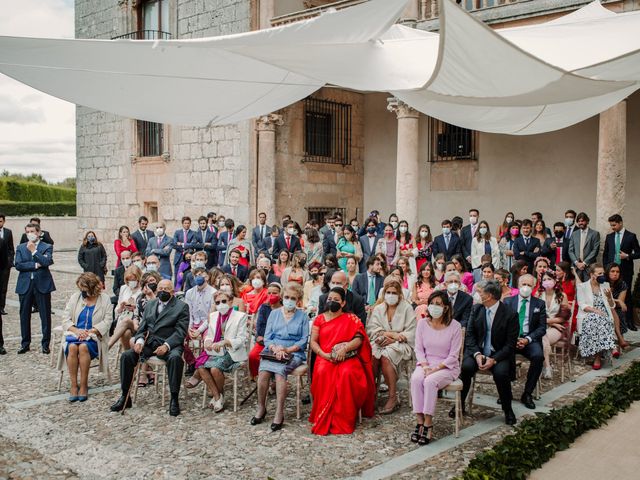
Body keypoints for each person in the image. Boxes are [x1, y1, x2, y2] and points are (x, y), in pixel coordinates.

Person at [110, 279, 189, 416]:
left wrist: (167, 345)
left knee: (176, 358)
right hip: (150, 342)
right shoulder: (151, 304)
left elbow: (180, 332)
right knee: (127, 356)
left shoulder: (181, 306)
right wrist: (139, 341)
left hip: (170, 343)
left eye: (166, 289)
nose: (163, 291)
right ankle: (125, 396)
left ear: (172, 291)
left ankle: (174, 398)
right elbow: (142, 327)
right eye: (160, 288)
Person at [308, 286, 375, 435]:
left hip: (347, 357)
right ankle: (324, 414)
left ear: (343, 303)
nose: (332, 302)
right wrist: (323, 354)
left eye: (336, 300)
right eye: (330, 299)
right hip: (324, 357)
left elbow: (359, 339)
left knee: (347, 373)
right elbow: (313, 341)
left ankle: (344, 418)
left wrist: (345, 349)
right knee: (322, 371)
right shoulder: (319, 319)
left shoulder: (351, 318)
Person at [457, 280, 519, 425]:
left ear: (489, 296)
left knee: (501, 374)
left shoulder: (510, 314)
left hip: (499, 353)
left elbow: (510, 345)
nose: (477, 295)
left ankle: (507, 408)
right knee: (466, 368)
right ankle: (460, 404)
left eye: (480, 292)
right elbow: (470, 336)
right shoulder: (477, 309)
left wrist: (494, 359)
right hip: (478, 351)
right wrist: (477, 355)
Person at [251, 283, 309, 431]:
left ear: (298, 300)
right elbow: (268, 337)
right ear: (283, 297)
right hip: (273, 350)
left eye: (293, 298)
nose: (289, 300)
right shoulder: (274, 313)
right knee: (263, 373)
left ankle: (279, 412)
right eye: (287, 297)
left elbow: (303, 340)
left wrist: (287, 349)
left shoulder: (302, 316)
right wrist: (275, 348)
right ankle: (261, 407)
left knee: (279, 373)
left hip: (293, 352)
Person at [410, 291, 462, 445]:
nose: (434, 307)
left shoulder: (455, 326)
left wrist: (436, 368)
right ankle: (419, 421)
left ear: (446, 307)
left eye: (438, 304)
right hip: (426, 363)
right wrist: (425, 366)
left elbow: (454, 355)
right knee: (416, 378)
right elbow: (418, 349)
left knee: (430, 382)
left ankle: (428, 422)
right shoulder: (422, 324)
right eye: (432, 303)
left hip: (446, 366)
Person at [58, 273, 111, 402]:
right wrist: (76, 330)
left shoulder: (104, 299)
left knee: (82, 347)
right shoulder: (75, 298)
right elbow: (65, 318)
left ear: (92, 288)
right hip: (75, 335)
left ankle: (83, 385)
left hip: (93, 338)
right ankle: (73, 385)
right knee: (72, 347)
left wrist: (91, 331)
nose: (82, 291)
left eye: (85, 289)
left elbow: (108, 320)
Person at [367, 279, 416, 414]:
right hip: (381, 341)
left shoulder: (406, 308)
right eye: (388, 292)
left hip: (401, 344)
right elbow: (371, 329)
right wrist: (386, 335)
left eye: (394, 292)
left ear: (400, 294)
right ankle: (370, 394)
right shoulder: (379, 308)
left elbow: (412, 331)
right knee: (371, 356)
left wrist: (394, 338)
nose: (390, 295)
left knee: (385, 357)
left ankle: (393, 397)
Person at [195, 290, 248, 412]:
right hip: (216, 349)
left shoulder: (240, 316)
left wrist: (225, 342)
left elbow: (241, 339)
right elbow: (210, 335)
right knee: (201, 366)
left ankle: (217, 397)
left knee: (214, 368)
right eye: (218, 302)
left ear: (230, 301)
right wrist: (208, 341)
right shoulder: (213, 316)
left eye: (224, 301)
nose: (221, 304)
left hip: (232, 350)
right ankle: (218, 396)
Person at [503, 274, 546, 409]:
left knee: (538, 357)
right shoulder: (508, 301)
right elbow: (502, 323)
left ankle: (527, 393)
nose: (526, 288)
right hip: (511, 338)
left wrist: (527, 339)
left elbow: (542, 328)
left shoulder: (540, 304)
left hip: (529, 339)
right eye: (523, 285)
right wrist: (513, 338)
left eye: (529, 285)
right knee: (504, 354)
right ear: (518, 285)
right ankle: (505, 392)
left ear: (533, 287)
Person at [15, 222, 55, 354]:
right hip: (25, 284)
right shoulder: (20, 247)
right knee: (24, 315)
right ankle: (25, 343)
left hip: (42, 284)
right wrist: (36, 265)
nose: (30, 234)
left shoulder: (46, 246)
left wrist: (34, 251)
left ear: (38, 232)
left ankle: (45, 344)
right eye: (27, 232)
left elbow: (47, 262)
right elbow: (19, 265)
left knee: (45, 315)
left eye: (32, 231)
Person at [576, 264, 617, 370]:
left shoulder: (605, 285)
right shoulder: (582, 286)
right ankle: (612, 346)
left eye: (603, 273)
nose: (602, 275)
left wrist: (609, 297)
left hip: (604, 314)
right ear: (592, 275)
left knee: (601, 320)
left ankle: (597, 358)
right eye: (599, 273)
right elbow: (582, 304)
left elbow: (612, 306)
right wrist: (595, 310)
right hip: (588, 314)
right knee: (597, 319)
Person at [603, 214, 640, 330]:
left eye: (614, 225)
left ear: (620, 223)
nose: (612, 227)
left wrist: (628, 256)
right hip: (611, 271)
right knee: (609, 294)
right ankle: (610, 320)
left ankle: (629, 322)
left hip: (625, 271)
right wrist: (606, 269)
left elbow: (639, 253)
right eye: (611, 225)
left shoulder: (631, 236)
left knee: (627, 296)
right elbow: (605, 254)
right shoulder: (609, 237)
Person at [183, 267, 215, 385]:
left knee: (208, 341)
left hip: (207, 323)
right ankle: (192, 362)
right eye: (196, 275)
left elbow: (211, 316)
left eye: (202, 274)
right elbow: (188, 312)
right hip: (193, 322)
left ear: (207, 277)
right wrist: (189, 328)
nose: (199, 277)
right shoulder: (190, 293)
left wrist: (200, 330)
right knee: (179, 337)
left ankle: (200, 367)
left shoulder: (213, 292)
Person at [536, 269, 569, 379]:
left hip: (558, 327)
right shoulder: (538, 294)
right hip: (541, 326)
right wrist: (550, 322)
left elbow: (563, 317)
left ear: (555, 280)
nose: (546, 281)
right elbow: (534, 315)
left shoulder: (562, 296)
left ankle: (545, 366)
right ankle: (547, 366)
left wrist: (551, 323)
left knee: (542, 336)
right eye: (544, 279)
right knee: (541, 335)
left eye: (549, 279)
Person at [248, 282, 282, 378]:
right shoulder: (264, 307)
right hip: (264, 340)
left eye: (275, 293)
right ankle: (258, 376)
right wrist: (264, 337)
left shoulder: (284, 309)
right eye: (269, 293)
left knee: (274, 359)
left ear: (280, 294)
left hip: (279, 341)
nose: (271, 295)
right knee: (253, 356)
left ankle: (273, 379)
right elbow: (260, 326)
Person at [109, 265, 143, 350]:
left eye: (133, 280)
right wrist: (121, 307)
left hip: (137, 321)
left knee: (126, 321)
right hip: (123, 317)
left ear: (138, 278)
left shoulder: (143, 290)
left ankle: (108, 346)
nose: (131, 282)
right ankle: (129, 358)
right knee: (126, 333)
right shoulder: (124, 288)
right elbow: (117, 310)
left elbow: (145, 308)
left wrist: (135, 307)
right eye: (129, 280)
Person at [605, 263, 631, 350]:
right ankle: (620, 341)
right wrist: (618, 300)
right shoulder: (603, 282)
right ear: (607, 272)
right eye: (612, 271)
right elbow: (604, 300)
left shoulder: (622, 284)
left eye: (617, 272)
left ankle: (617, 345)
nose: (615, 274)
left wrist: (618, 301)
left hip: (616, 309)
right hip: (604, 308)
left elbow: (620, 303)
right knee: (611, 312)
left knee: (618, 312)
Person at [568, 212, 600, 282]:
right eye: (578, 221)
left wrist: (584, 263)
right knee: (577, 288)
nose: (580, 223)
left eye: (582, 221)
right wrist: (576, 263)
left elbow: (595, 250)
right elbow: (570, 250)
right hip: (576, 267)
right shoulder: (574, 234)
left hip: (589, 266)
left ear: (587, 221)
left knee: (589, 287)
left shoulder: (595, 234)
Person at [0, 213, 15, 319]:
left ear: (4, 221)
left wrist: (9, 262)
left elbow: (11, 249)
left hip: (5, 265)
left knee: (3, 287)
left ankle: (1, 307)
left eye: (0, 221)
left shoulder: (8, 232)